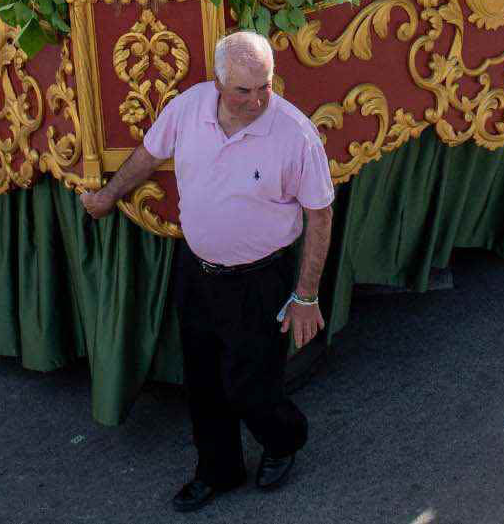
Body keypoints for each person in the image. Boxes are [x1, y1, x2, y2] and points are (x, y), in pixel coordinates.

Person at [79, 31, 333, 511]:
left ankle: (285, 438)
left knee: (250, 386)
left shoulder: (294, 133)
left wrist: (306, 295)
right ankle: (217, 469)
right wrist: (109, 196)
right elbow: (148, 155)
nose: (257, 99)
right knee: (203, 382)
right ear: (219, 82)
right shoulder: (187, 108)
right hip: (197, 271)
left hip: (261, 280)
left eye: (266, 86)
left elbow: (320, 214)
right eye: (244, 89)